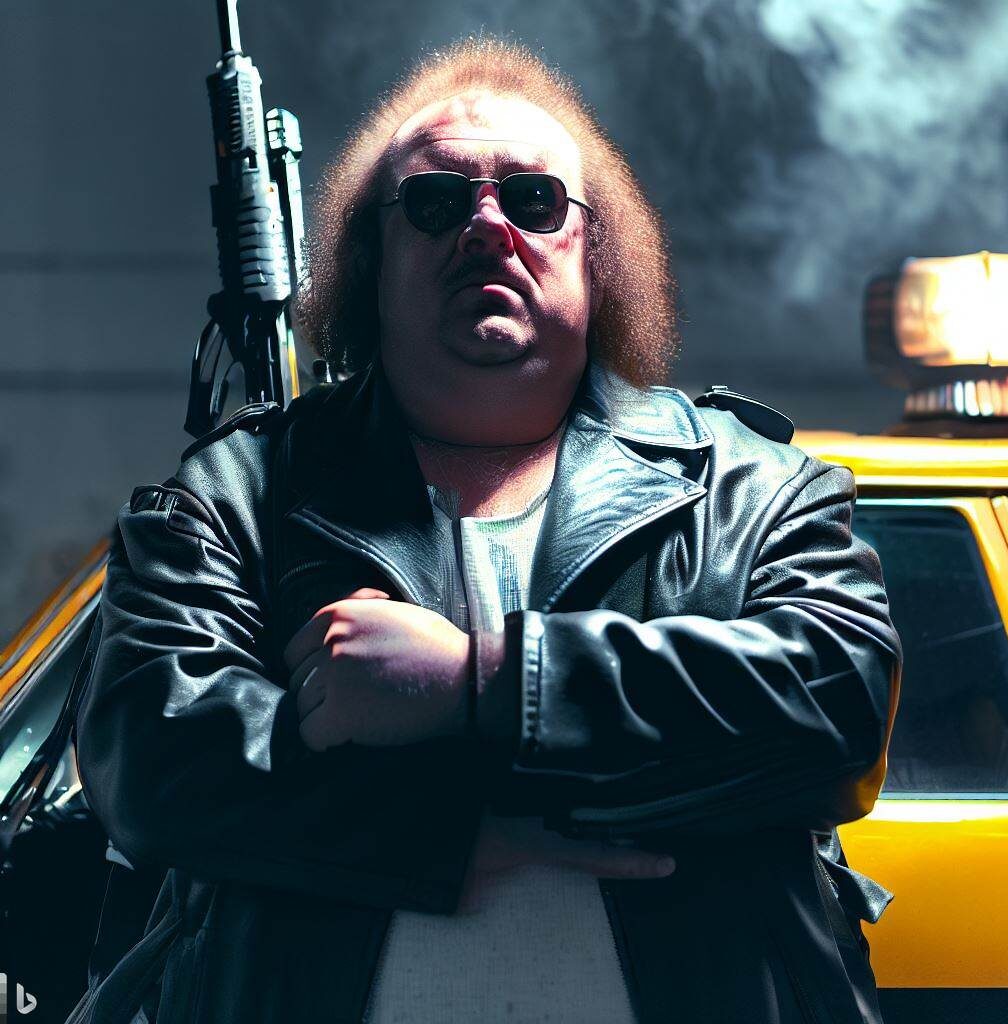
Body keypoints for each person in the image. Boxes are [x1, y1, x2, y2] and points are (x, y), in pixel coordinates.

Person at [69, 36, 902, 1024]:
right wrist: (446, 833)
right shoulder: (235, 492)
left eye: (534, 200)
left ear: (597, 253)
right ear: (374, 260)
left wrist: (478, 680)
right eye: (435, 203)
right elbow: (149, 756)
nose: (486, 227)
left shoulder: (750, 486)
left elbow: (838, 704)